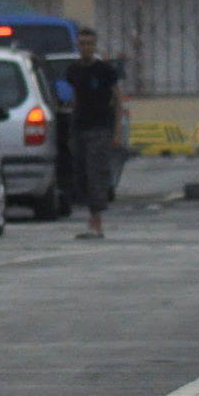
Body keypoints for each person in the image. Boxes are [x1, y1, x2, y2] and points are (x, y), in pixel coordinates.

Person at [64, 27, 122, 240]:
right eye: (82, 44)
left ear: (95, 46)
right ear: (77, 46)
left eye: (90, 44)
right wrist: (71, 129)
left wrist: (116, 132)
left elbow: (117, 99)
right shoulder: (73, 71)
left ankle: (96, 222)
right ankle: (91, 218)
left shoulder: (105, 71)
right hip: (80, 128)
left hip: (100, 129)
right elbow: (76, 98)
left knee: (96, 173)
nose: (86, 48)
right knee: (82, 175)